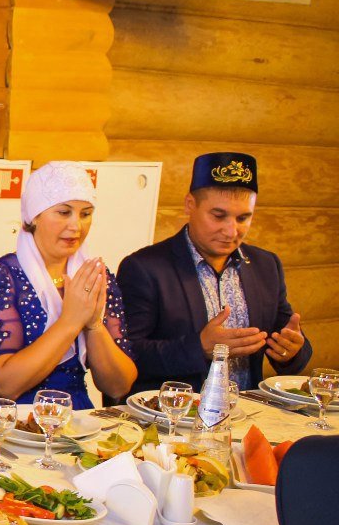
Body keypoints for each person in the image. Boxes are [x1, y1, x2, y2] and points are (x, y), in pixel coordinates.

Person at [118, 152, 311, 393]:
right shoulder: (144, 267)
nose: (231, 231)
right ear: (190, 204)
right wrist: (198, 347)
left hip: (247, 409)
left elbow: (289, 340)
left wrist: (291, 351)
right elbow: (127, 355)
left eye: (243, 218)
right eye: (218, 216)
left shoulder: (265, 265)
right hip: (174, 412)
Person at [0, 162, 136, 410]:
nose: (76, 226)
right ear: (34, 216)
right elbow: (6, 385)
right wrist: (70, 321)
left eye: (85, 214)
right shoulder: (1, 277)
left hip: (72, 412)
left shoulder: (94, 277)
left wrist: (94, 325)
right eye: (64, 212)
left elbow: (118, 387)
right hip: (8, 414)